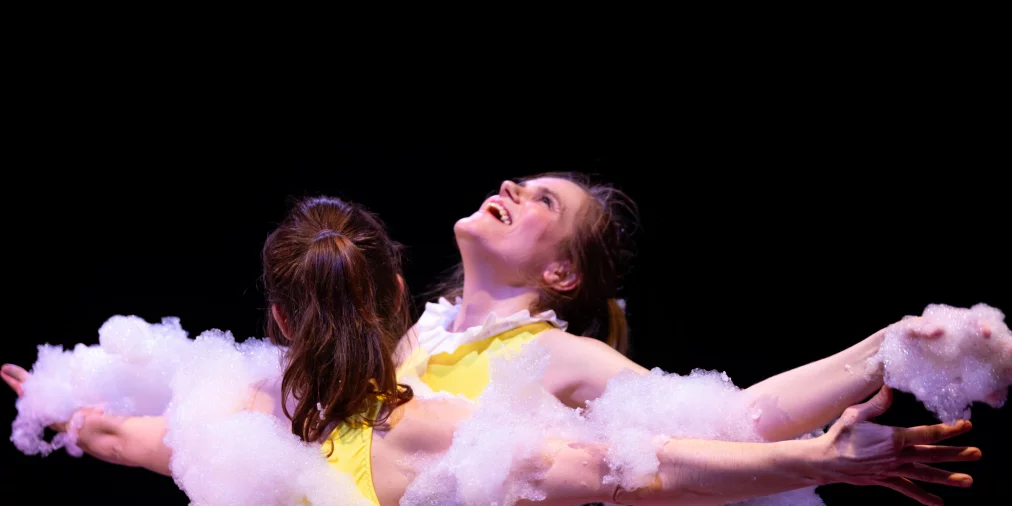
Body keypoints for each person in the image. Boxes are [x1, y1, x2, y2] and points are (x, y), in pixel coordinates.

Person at [3, 195, 982, 506]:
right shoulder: (411, 344)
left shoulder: (555, 357)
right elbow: (157, 425)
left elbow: (716, 426)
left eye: (545, 200)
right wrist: (74, 396)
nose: (514, 186)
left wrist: (883, 352)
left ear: (563, 271)